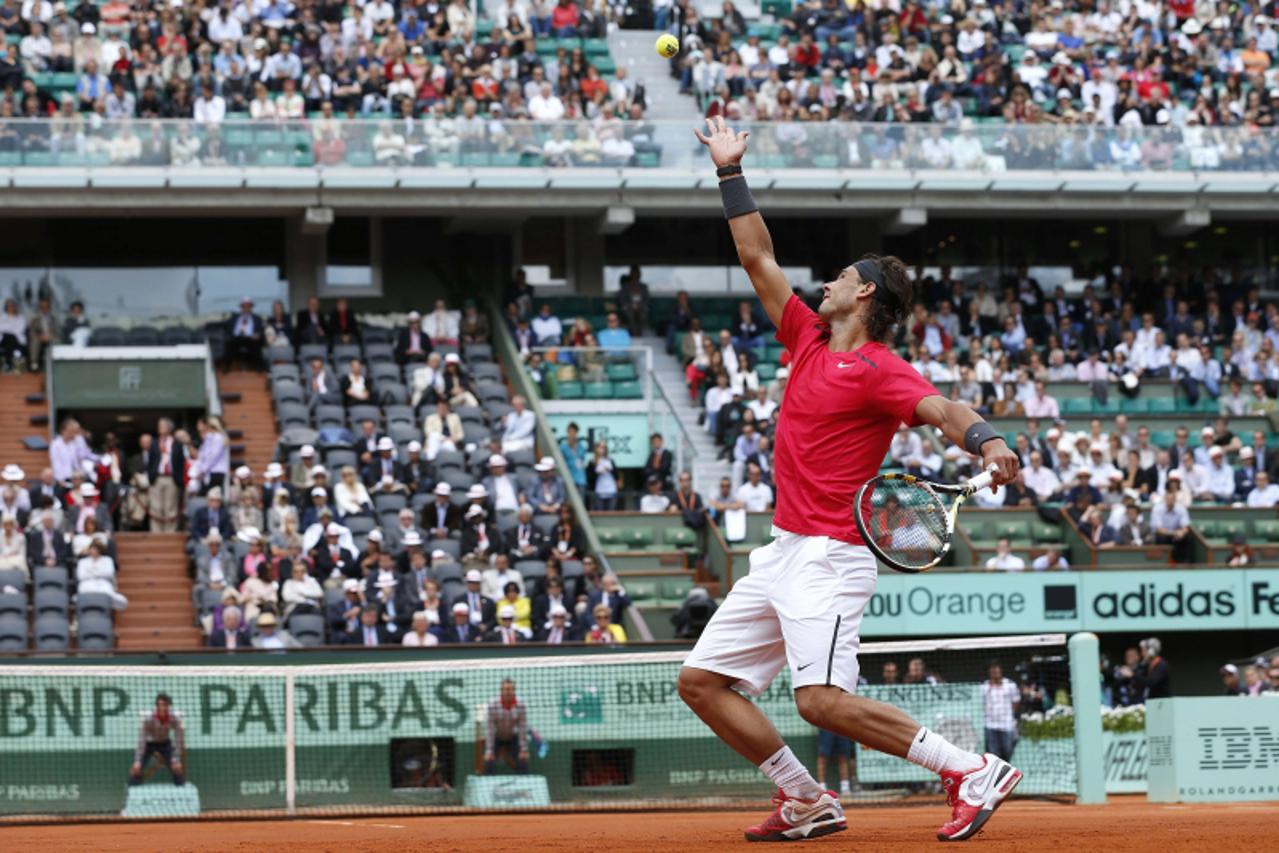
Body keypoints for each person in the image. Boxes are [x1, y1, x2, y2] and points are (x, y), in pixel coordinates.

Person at [679, 117, 1022, 844]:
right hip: (778, 554)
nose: (825, 283)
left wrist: (986, 439)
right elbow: (754, 253)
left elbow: (941, 408)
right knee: (701, 682)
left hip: (830, 557)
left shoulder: (879, 369)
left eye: (839, 277)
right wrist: (727, 170)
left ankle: (969, 768)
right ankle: (806, 799)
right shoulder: (803, 335)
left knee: (822, 701)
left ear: (862, 295)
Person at [128, 693, 186, 787]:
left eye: (166, 705)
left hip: (165, 743)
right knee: (136, 769)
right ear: (157, 706)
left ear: (169, 706)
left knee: (177, 768)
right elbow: (141, 740)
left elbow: (178, 739)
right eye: (161, 705)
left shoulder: (174, 718)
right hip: (148, 744)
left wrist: (177, 759)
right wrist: (137, 761)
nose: (163, 708)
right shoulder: (148, 718)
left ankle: (181, 791)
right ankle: (131, 791)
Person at [484, 679, 529, 774]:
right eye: (505, 689)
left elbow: (522, 728)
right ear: (501, 691)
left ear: (514, 691)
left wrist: (523, 749)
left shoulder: (521, 705)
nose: (507, 692)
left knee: (523, 759)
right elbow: (490, 729)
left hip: (513, 737)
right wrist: (489, 750)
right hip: (497, 737)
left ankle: (524, 785)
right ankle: (488, 784)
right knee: (488, 760)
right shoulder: (492, 705)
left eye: (510, 689)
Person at [981, 662, 1020, 762]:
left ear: (1001, 670)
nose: (994, 672)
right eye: (992, 669)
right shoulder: (984, 687)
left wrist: (1009, 714)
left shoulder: (1010, 685)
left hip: (1007, 724)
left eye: (996, 669)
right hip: (990, 724)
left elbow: (1016, 702)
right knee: (993, 753)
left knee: (1008, 750)